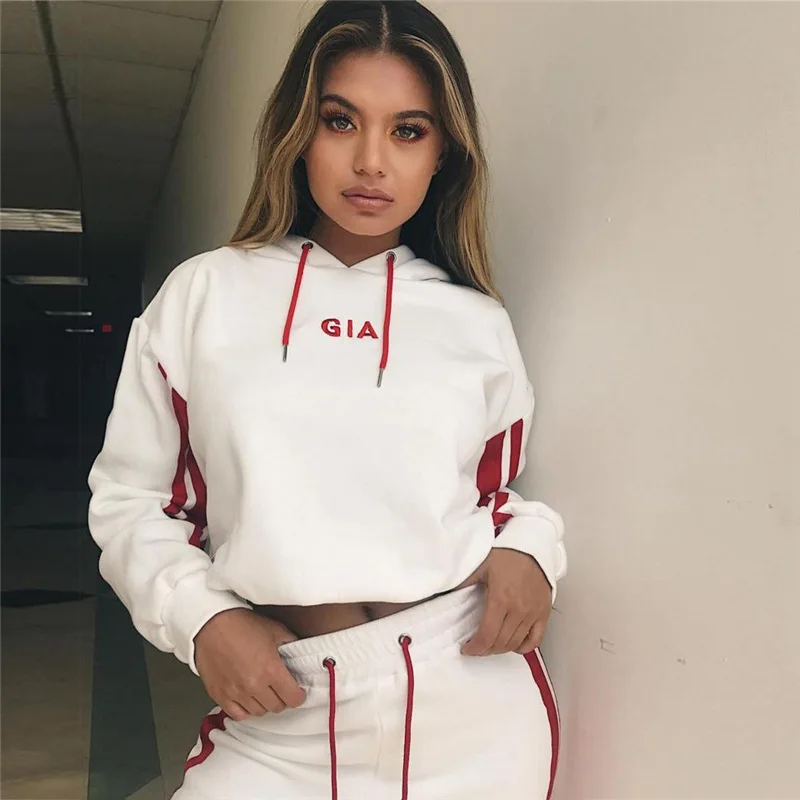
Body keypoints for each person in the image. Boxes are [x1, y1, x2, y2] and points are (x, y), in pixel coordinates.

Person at [87, 2, 567, 798]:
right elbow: (131, 500)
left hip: (469, 702)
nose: (371, 162)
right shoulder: (205, 294)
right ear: (297, 133)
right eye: (340, 121)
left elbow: (490, 495)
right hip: (288, 711)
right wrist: (203, 618)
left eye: (408, 131)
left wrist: (532, 551)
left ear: (442, 154)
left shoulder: (476, 321)